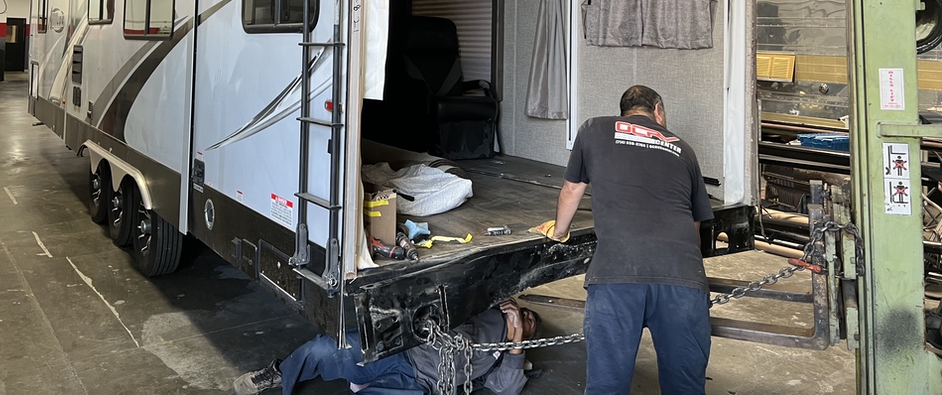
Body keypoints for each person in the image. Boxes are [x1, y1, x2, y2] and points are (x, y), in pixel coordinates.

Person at [539, 85, 713, 395]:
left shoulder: (594, 129)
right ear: (657, 110)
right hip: (682, 278)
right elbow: (695, 226)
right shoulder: (684, 149)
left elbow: (571, 190)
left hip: (616, 274)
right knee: (685, 387)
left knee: (607, 386)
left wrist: (559, 232)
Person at [233, 299, 540, 395]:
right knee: (327, 349)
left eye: (531, 322)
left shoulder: (507, 355)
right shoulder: (486, 306)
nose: (525, 317)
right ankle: (280, 373)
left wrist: (516, 343)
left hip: (420, 382)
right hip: (400, 346)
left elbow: (507, 388)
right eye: (525, 312)